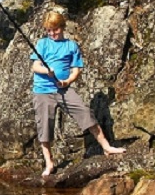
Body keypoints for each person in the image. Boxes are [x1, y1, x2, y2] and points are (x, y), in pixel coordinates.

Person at [31, 11, 125, 178]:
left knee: (85, 112)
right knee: (44, 126)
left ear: (62, 27)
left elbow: (77, 69)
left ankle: (106, 147)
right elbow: (35, 66)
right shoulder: (42, 44)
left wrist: (67, 81)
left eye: (55, 30)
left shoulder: (71, 46)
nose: (52, 33)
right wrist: (48, 70)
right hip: (43, 91)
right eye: (49, 30)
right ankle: (49, 163)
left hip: (63, 89)